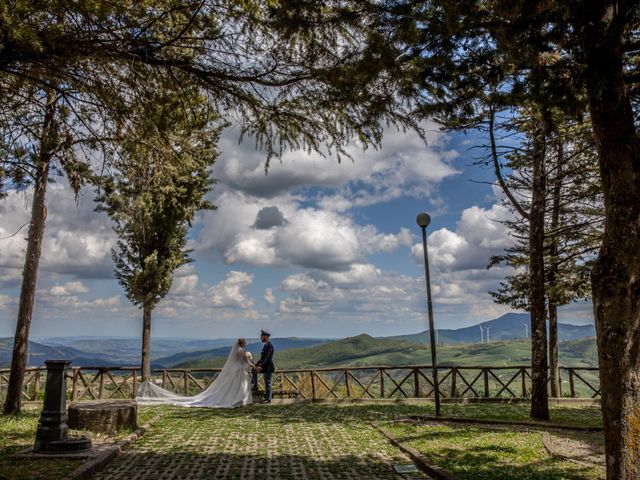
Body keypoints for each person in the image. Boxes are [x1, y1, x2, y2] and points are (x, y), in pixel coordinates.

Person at [136, 338, 253, 408]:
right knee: (239, 386)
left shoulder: (236, 351)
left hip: (235, 371)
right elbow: (245, 362)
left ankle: (236, 399)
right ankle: (239, 400)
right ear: (242, 344)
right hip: (239, 371)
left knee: (234, 386)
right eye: (244, 343)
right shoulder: (242, 351)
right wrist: (252, 364)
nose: (245, 345)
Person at [252, 330, 275, 403]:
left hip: (268, 367)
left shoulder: (270, 346)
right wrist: (256, 364)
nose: (260, 338)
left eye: (261, 336)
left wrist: (260, 367)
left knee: (267, 382)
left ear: (265, 337)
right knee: (253, 370)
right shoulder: (266, 345)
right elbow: (262, 358)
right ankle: (255, 386)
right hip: (264, 366)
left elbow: (267, 358)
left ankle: (268, 399)